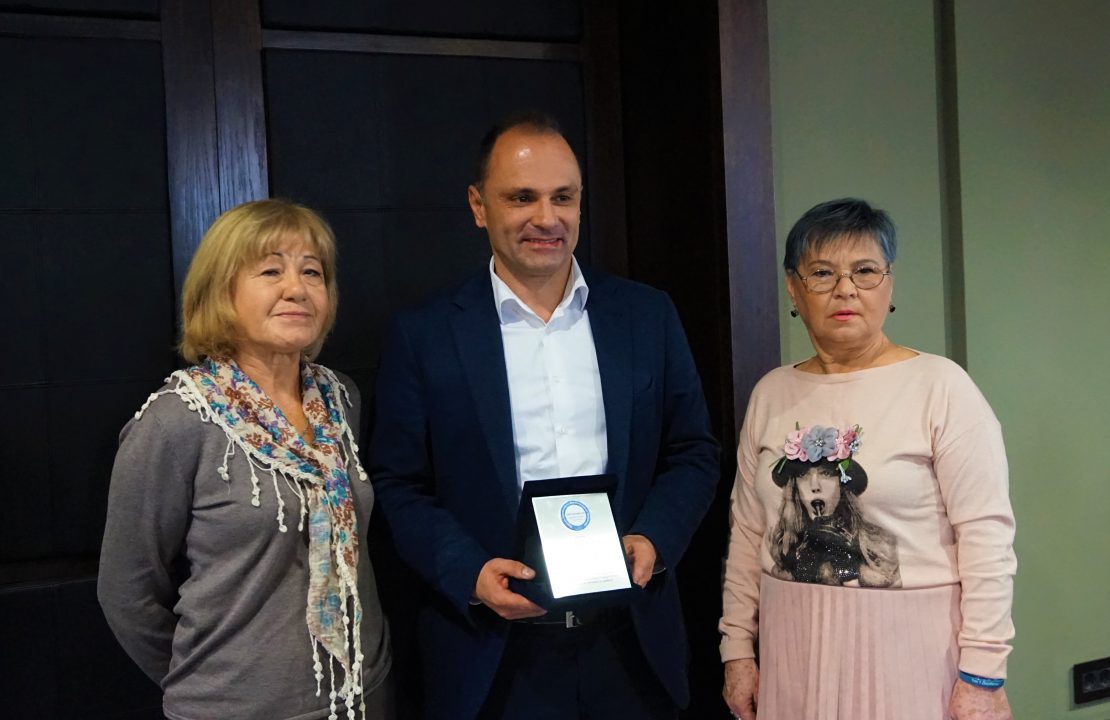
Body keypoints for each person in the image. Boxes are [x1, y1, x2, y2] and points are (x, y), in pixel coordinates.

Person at [369, 112, 720, 720]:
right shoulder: (424, 334)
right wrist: (468, 571)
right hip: (493, 658)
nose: (546, 218)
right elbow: (398, 483)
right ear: (478, 206)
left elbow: (694, 451)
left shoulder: (646, 316)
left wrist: (654, 539)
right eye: (521, 198)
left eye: (563, 197)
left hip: (630, 649)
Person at [719, 198, 1016, 720]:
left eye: (865, 271)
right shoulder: (772, 392)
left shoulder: (941, 387)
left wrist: (982, 675)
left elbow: (987, 537)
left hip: (913, 652)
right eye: (822, 273)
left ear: (889, 284)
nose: (845, 289)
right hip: (793, 648)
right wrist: (737, 649)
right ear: (793, 288)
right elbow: (747, 532)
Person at [98, 199, 392, 720]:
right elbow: (126, 592)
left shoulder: (340, 397)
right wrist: (213, 680)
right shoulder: (177, 420)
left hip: (362, 696)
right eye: (271, 271)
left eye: (312, 272)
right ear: (221, 291)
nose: (296, 288)